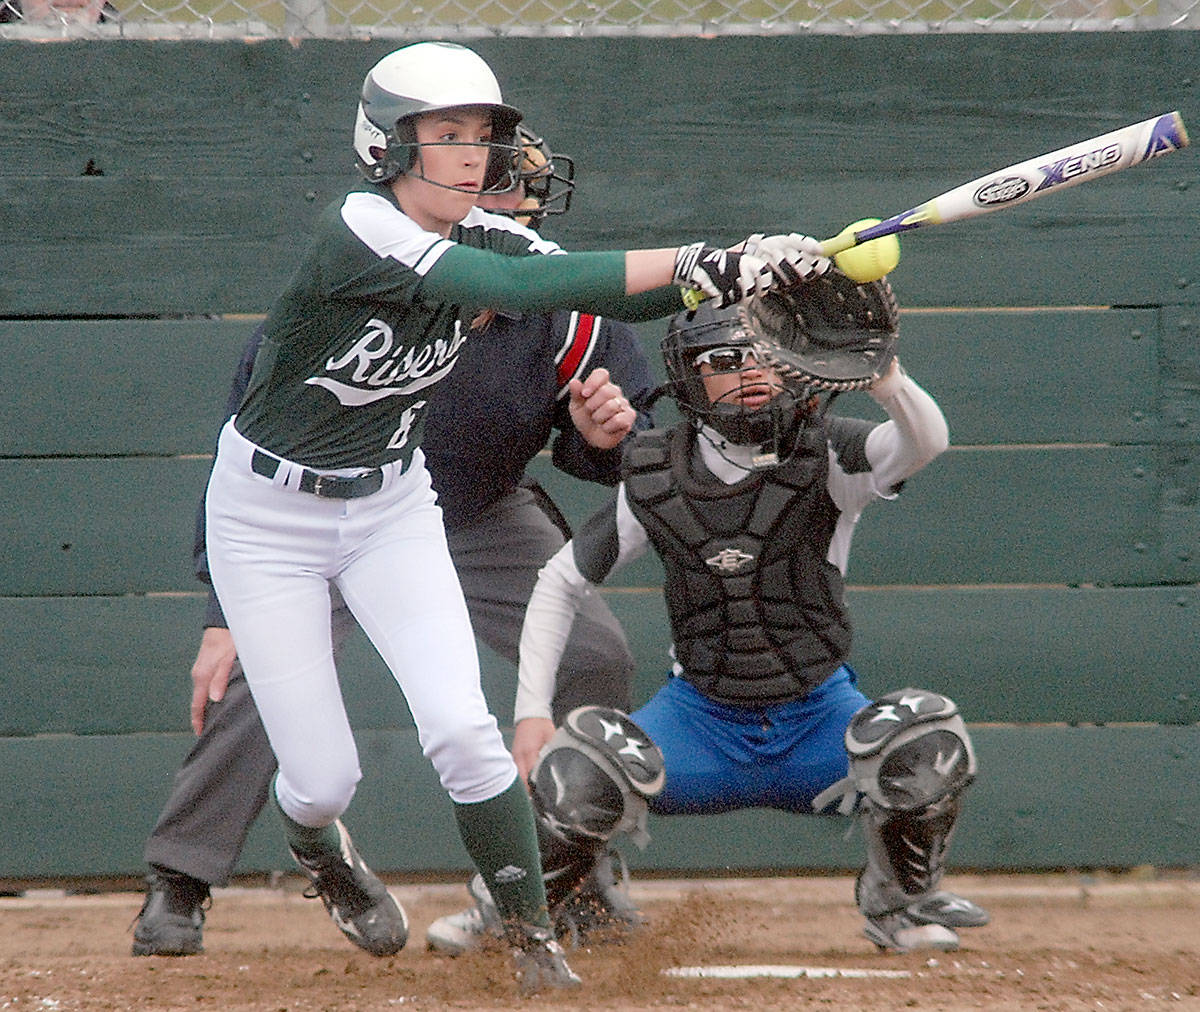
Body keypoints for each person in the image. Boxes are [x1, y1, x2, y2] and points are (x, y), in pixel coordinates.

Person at [194, 39, 827, 993]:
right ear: (387, 146)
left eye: (480, 137)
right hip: (267, 520)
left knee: (463, 730)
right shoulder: (360, 229)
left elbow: (585, 281)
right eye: (443, 136)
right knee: (323, 777)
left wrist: (742, 272)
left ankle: (534, 936)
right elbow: (509, 291)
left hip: (391, 507)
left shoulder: (499, 236)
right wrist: (709, 255)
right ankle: (316, 843)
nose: (469, 155)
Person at [132, 125, 654, 961]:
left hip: (475, 512)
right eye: (489, 189)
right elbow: (249, 446)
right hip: (304, 518)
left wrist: (604, 436)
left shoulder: (559, 306)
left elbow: (621, 446)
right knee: (254, 685)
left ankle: (573, 863)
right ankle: (181, 880)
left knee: (593, 654)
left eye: (518, 191)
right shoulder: (361, 276)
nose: (510, 210)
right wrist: (221, 605)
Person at [428, 272, 991, 958]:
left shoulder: (830, 451)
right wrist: (533, 709)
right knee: (579, 759)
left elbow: (925, 441)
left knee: (926, 734)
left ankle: (899, 903)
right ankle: (524, 911)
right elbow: (559, 581)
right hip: (701, 728)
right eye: (722, 362)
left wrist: (885, 376)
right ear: (688, 378)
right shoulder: (658, 473)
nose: (748, 373)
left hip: (818, 724)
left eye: (763, 356)